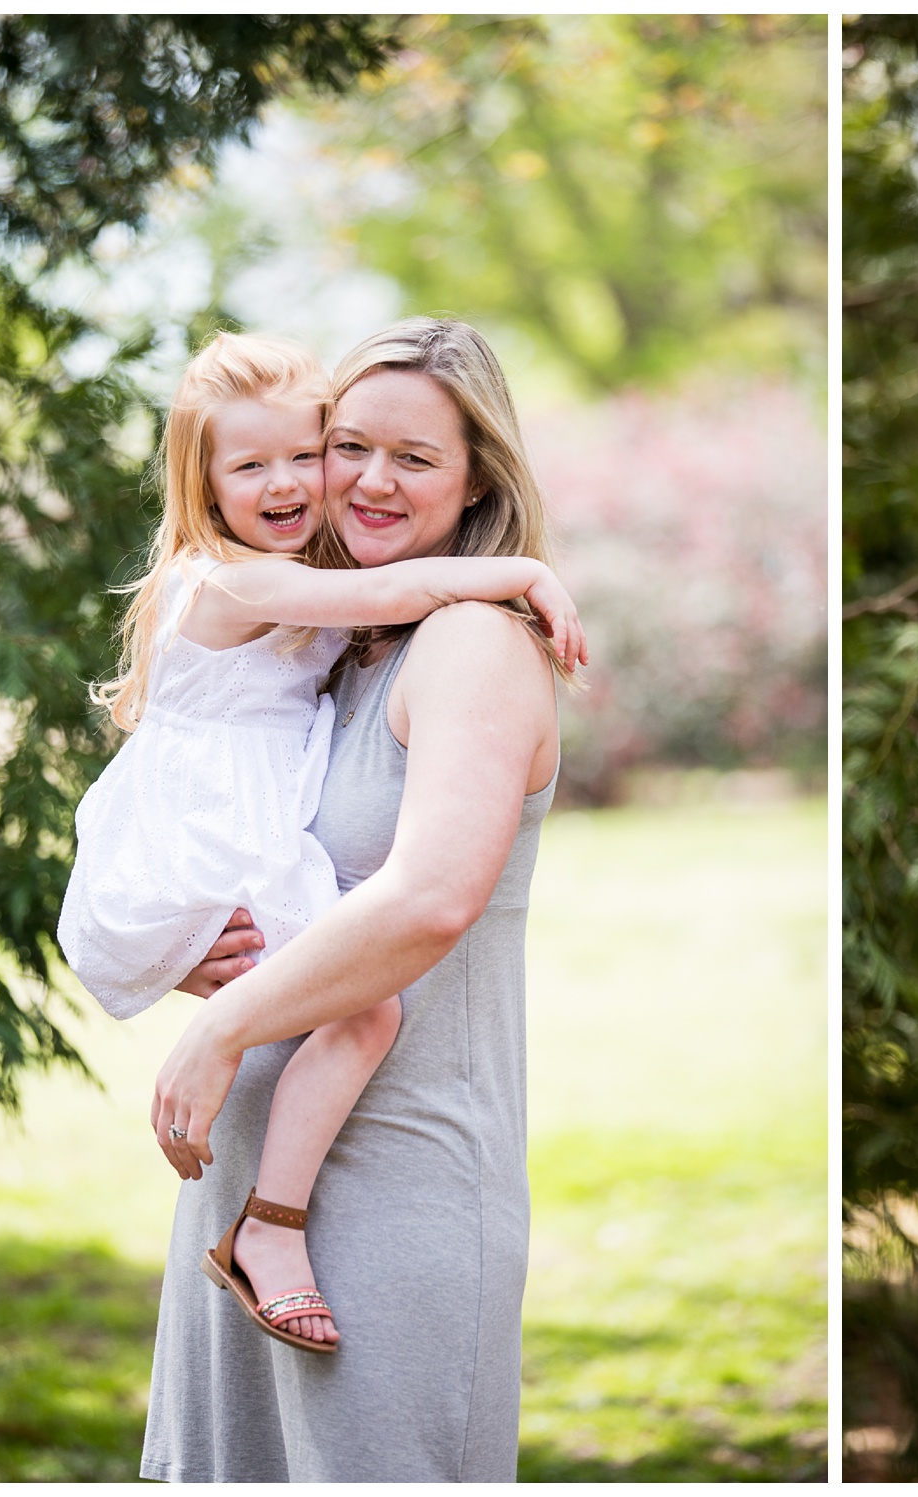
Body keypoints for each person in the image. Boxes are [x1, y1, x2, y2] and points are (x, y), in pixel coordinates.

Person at [60, 331, 584, 1357]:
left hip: (388, 1187)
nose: (337, 481)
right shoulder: (270, 601)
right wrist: (212, 953)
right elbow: (377, 600)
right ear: (205, 486)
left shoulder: (448, 638)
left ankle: (273, 1223)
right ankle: (266, 1222)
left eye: (414, 457)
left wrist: (226, 1023)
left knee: (367, 1012)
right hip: (240, 1163)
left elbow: (427, 899)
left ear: (479, 478)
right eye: (345, 446)